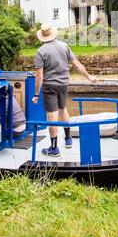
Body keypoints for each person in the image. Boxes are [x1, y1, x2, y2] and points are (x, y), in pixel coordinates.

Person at [32, 23, 98, 157]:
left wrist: (36, 94)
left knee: (52, 115)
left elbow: (39, 77)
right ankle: (68, 139)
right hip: (64, 84)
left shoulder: (40, 52)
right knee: (63, 109)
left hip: (49, 86)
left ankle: (54, 148)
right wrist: (89, 77)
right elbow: (76, 64)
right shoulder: (64, 46)